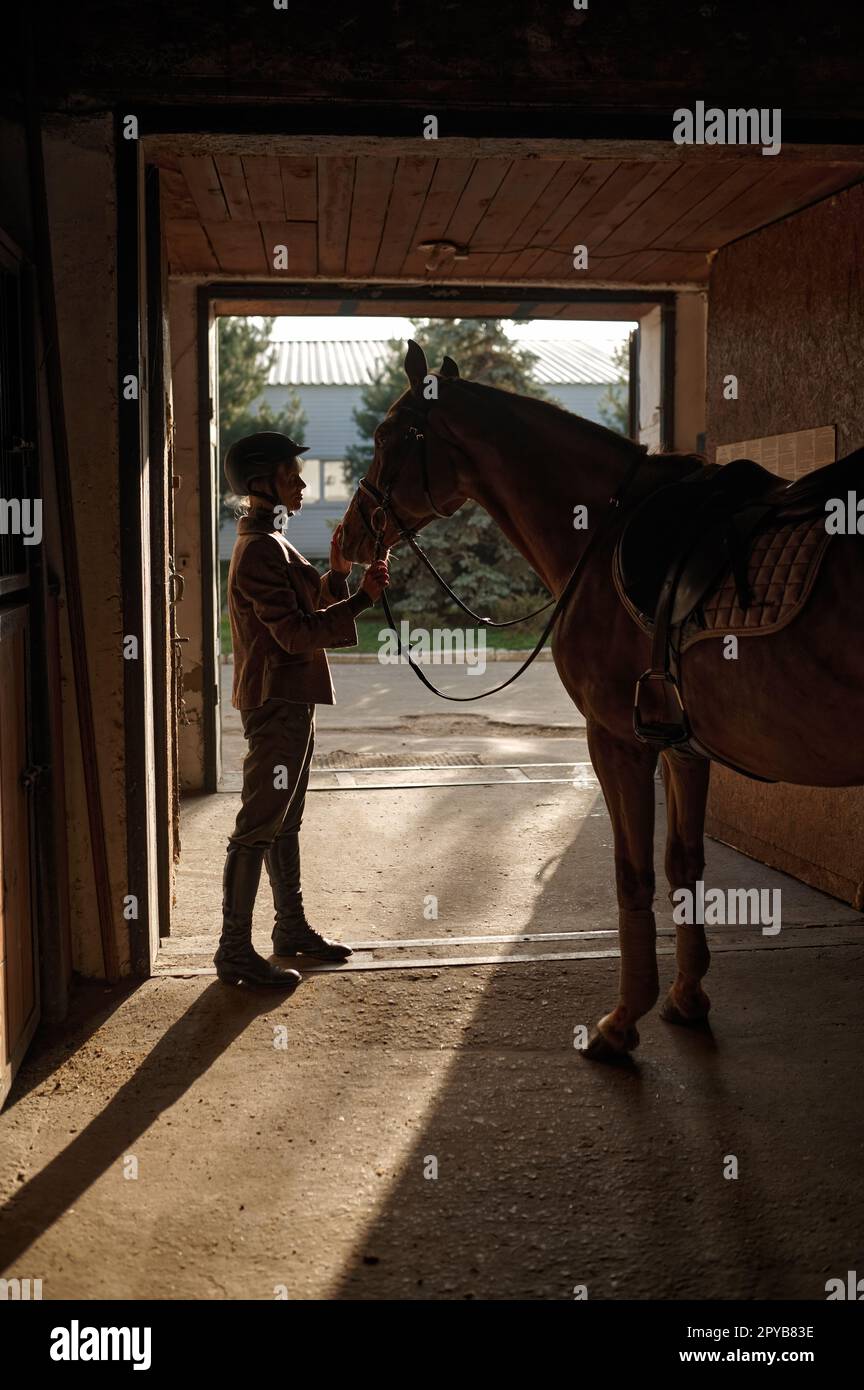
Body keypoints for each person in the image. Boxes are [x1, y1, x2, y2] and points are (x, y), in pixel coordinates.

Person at [214, 431, 389, 990]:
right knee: (257, 826)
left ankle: (290, 928)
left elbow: (304, 604)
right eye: (291, 474)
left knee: (284, 820)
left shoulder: (271, 540)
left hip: (292, 700)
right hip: (277, 702)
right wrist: (360, 599)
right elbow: (292, 634)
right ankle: (233, 951)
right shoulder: (261, 548)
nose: (301, 482)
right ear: (262, 482)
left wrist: (338, 575)